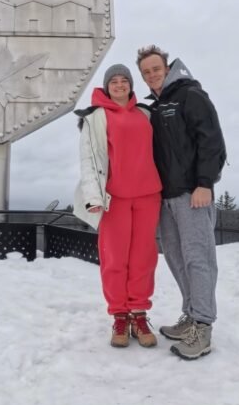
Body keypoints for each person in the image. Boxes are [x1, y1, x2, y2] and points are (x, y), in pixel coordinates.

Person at [136, 45, 226, 360]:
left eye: (156, 69)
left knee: (198, 258)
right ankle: (190, 314)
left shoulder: (190, 95)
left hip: (192, 194)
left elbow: (212, 141)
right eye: (146, 72)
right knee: (176, 257)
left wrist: (205, 183)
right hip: (165, 197)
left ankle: (203, 325)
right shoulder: (157, 107)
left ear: (168, 67)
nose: (152, 75)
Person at [73, 63, 162, 348]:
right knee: (114, 258)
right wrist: (93, 197)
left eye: (125, 80)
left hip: (148, 194)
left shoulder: (146, 114)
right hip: (114, 198)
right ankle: (120, 316)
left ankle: (139, 314)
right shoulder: (95, 117)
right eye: (114, 81)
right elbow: (89, 159)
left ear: (131, 85)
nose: (120, 85)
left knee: (143, 257)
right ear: (107, 86)